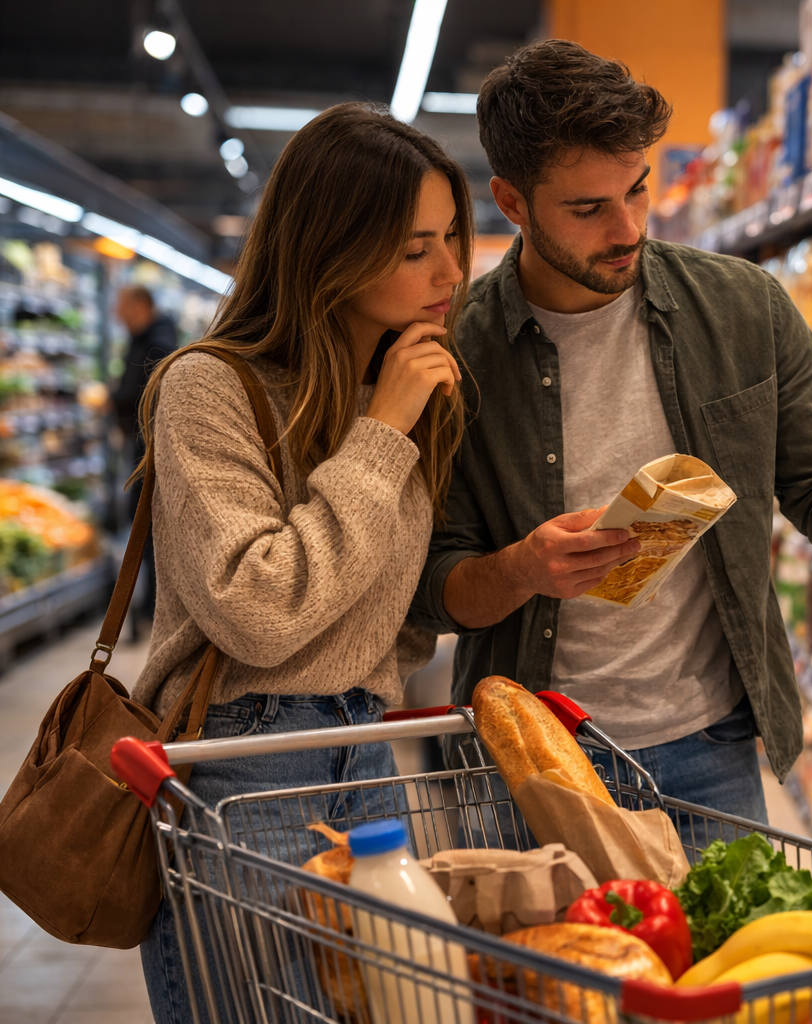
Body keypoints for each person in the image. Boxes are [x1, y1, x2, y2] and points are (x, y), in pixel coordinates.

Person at [410, 40, 812, 823]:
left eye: (638, 191)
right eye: (588, 208)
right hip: (531, 756)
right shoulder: (453, 350)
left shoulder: (742, 307)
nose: (627, 226)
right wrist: (520, 569)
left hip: (708, 750)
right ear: (511, 202)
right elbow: (431, 588)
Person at [132, 103, 470, 1023]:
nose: (449, 273)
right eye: (413, 250)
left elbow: (385, 606)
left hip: (372, 749)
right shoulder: (210, 386)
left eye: (450, 240)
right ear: (331, 249)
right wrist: (383, 433)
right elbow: (259, 609)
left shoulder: (402, 386)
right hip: (248, 762)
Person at [111, 285, 177, 640]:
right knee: (144, 533)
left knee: (147, 533)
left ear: (140, 306)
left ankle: (152, 612)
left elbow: (144, 400)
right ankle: (147, 612)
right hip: (143, 450)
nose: (117, 313)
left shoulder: (158, 345)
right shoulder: (148, 338)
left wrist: (115, 399)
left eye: (121, 305)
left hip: (149, 455)